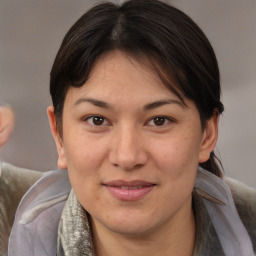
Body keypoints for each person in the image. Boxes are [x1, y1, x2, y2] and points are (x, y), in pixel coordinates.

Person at [0, 0, 255, 255]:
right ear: (59, 135)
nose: (127, 157)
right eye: (97, 120)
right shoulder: (11, 219)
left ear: (207, 135)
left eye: (159, 120)